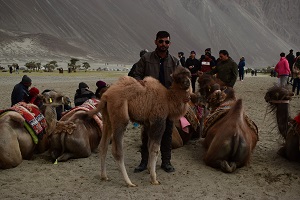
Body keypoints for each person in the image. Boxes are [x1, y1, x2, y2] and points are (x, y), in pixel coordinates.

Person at [132, 30, 180, 173]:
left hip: (168, 104)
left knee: (167, 132)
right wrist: (139, 82)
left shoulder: (174, 61)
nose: (163, 44)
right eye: (161, 41)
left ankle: (166, 162)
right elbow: (136, 74)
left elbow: (180, 80)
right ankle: (144, 162)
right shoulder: (146, 59)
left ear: (169, 43)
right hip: (150, 104)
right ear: (155, 42)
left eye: (166, 42)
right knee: (147, 132)